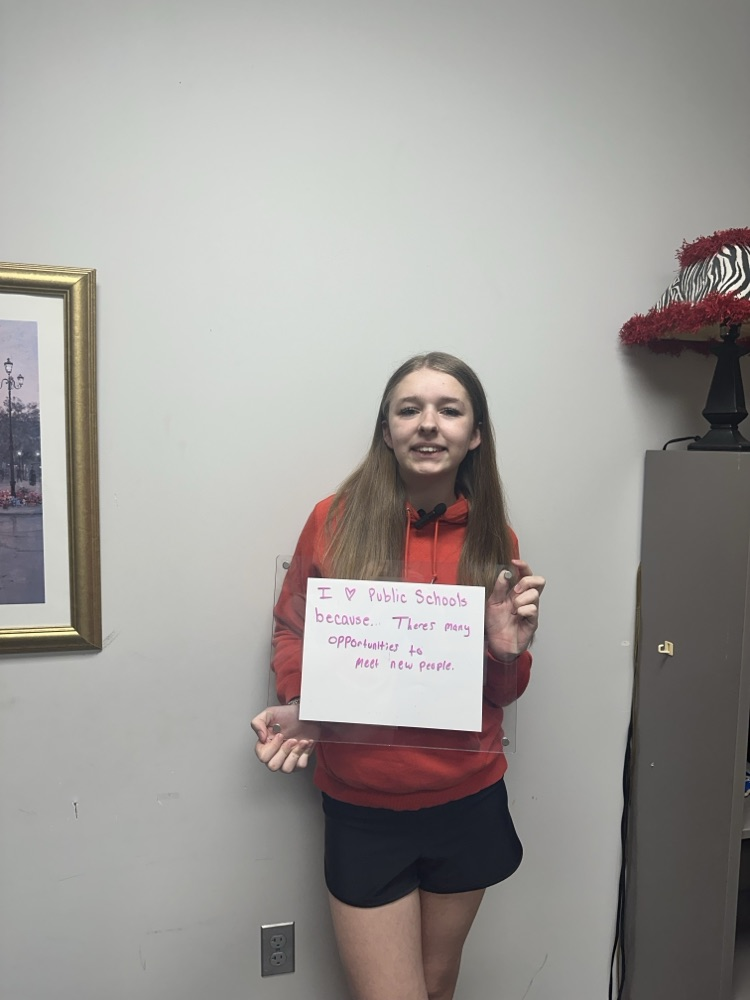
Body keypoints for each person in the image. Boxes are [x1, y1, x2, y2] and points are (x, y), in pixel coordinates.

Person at [252, 352, 544, 1000]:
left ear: (475, 434)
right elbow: (292, 628)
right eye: (409, 409)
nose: (428, 425)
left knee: (438, 986)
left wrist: (503, 652)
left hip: (468, 799)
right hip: (364, 808)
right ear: (387, 430)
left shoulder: (497, 538)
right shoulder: (334, 519)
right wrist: (301, 703)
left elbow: (504, 690)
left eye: (449, 410)